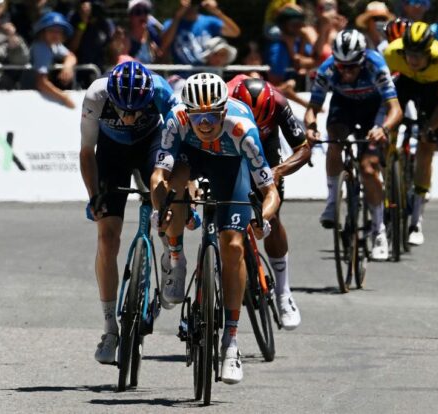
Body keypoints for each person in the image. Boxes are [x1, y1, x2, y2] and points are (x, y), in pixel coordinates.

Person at [151, 73, 280, 384]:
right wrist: (161, 208)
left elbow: (270, 192)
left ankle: (231, 342)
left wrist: (262, 219)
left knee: (233, 245)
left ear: (224, 111)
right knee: (177, 182)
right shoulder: (176, 120)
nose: (205, 123)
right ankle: (176, 257)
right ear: (188, 112)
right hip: (191, 157)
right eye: (198, 116)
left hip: (231, 164)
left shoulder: (243, 130)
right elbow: (158, 177)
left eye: (211, 116)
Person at [80, 61, 178, 365]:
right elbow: (87, 152)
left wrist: (179, 193)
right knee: (107, 238)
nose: (130, 116)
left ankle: (170, 254)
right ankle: (110, 329)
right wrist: (94, 196)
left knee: (163, 201)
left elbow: (180, 140)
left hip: (153, 144)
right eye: (124, 110)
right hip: (113, 152)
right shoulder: (96, 95)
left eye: (137, 110)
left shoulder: (161, 91)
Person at [304, 29, 402, 261]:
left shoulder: (376, 65)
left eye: (351, 67)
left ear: (362, 59)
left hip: (374, 108)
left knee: (369, 168)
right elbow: (312, 108)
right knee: (334, 139)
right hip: (344, 105)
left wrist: (383, 129)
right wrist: (310, 127)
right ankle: (332, 201)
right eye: (342, 67)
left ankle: (379, 230)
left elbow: (395, 109)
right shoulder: (327, 69)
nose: (346, 72)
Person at [228, 75, 312, 329]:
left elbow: (303, 148)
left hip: (266, 149)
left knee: (272, 217)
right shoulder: (226, 98)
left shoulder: (278, 102)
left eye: (260, 121)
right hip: (230, 144)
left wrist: (279, 171)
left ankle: (283, 293)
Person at [384, 22, 438, 245]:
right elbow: (383, 92)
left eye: (418, 55)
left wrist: (429, 129)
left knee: (426, 146)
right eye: (409, 54)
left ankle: (416, 219)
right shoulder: (392, 54)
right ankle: (388, 187)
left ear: (429, 53)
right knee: (386, 137)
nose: (413, 60)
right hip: (403, 83)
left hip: (431, 91)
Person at [22, 12, 77, 108]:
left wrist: (67, 67)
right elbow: (41, 82)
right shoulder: (41, 48)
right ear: (43, 32)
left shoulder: (54, 44)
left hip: (38, 94)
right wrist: (64, 98)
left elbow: (71, 56)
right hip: (28, 94)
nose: (56, 34)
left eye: (59, 31)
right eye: (51, 30)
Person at [160, 0, 240, 65]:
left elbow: (234, 33)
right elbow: (163, 45)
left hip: (207, 72)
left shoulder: (209, 22)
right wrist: (177, 16)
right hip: (181, 76)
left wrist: (217, 12)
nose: (192, 4)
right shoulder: (171, 23)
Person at [68, 0, 115, 88]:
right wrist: (83, 22)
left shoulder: (106, 23)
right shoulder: (74, 18)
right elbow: (72, 47)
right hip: (79, 75)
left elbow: (111, 52)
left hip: (100, 74)